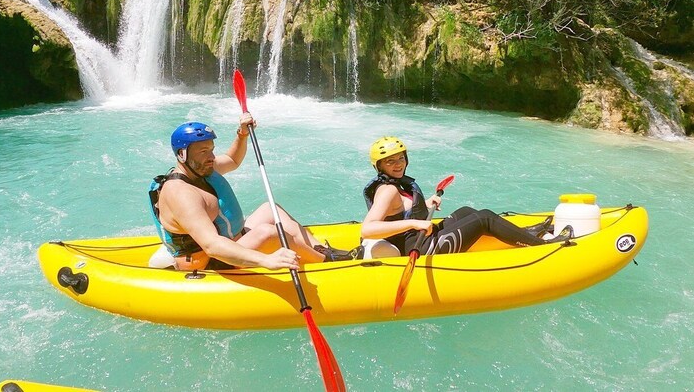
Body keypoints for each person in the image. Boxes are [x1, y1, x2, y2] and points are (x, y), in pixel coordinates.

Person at [148, 115, 361, 271]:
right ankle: (328, 266)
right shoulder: (181, 193)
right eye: (204, 152)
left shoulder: (201, 168)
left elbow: (232, 160)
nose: (211, 156)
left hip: (233, 241)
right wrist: (266, 261)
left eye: (211, 149)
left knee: (271, 209)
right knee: (269, 232)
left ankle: (319, 250)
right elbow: (212, 246)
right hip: (208, 262)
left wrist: (242, 134)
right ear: (182, 155)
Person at [361, 136, 572, 258]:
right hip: (419, 247)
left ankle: (525, 233)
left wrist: (425, 204)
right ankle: (541, 246)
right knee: (484, 219)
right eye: (390, 162)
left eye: (400, 158)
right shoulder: (387, 190)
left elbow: (400, 212)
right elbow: (367, 229)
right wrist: (416, 222)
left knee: (466, 211)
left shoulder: (396, 184)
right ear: (379, 166)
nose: (398, 165)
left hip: (420, 237)